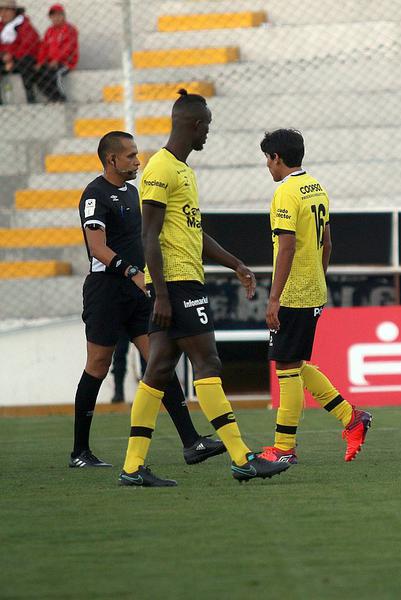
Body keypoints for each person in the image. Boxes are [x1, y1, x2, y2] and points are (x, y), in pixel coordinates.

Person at [119, 89, 290, 486]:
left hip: (180, 283)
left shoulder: (182, 171)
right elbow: (148, 235)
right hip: (177, 285)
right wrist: (162, 294)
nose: (208, 133)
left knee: (158, 371)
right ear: (195, 125)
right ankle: (243, 458)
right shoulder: (161, 168)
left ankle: (132, 467)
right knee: (208, 363)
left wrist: (235, 263)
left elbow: (192, 233)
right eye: (207, 126)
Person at [71, 130, 225, 469]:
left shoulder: (133, 192)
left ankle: (191, 441)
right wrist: (132, 272)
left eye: (137, 155)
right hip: (106, 290)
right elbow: (97, 248)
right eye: (130, 156)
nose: (137, 161)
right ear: (111, 159)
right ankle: (80, 451)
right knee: (98, 365)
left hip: (137, 291)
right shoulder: (95, 195)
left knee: (160, 361)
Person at [257, 128, 372, 464]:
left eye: (268, 159)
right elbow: (328, 243)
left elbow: (287, 246)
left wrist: (274, 298)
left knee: (286, 368)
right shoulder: (316, 187)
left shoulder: (286, 192)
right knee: (294, 362)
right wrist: (317, 280)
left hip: (293, 293)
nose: (267, 165)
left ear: (277, 157)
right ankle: (351, 417)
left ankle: (283, 448)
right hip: (312, 289)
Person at [32, 3, 76, 102]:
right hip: (51, 63)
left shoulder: (69, 29)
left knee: (55, 75)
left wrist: (57, 60)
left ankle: (62, 99)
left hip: (66, 62)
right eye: (53, 15)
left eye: (59, 15)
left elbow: (68, 48)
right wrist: (40, 62)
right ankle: (52, 98)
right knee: (38, 74)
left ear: (64, 16)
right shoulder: (49, 31)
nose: (56, 18)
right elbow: (43, 48)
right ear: (50, 17)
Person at [0, 1, 40, 104]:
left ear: (14, 11)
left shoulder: (24, 25)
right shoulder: (1, 27)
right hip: (6, 60)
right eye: (1, 10)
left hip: (21, 59)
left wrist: (12, 57)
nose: (3, 13)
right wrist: (3, 55)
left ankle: (30, 97)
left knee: (25, 60)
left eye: (7, 10)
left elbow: (28, 45)